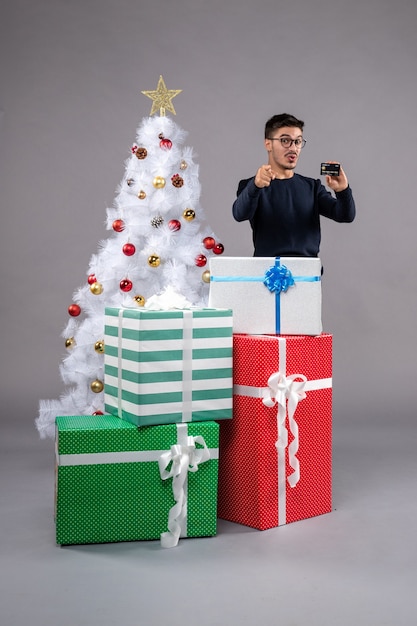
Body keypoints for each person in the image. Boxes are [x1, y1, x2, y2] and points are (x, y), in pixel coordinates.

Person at [232, 113, 356, 257]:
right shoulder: (252, 185)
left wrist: (343, 191)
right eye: (285, 140)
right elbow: (239, 214)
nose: (293, 148)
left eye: (297, 141)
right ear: (268, 144)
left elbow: (346, 215)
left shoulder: (312, 187)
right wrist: (255, 186)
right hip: (269, 273)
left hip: (307, 274)